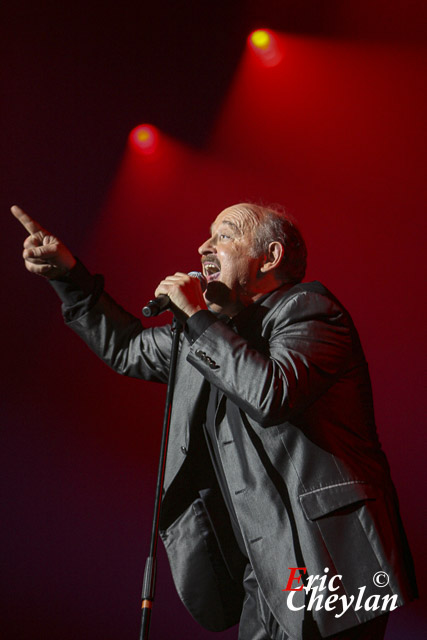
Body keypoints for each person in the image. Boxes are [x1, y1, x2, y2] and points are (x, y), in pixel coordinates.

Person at [12, 203, 417, 640]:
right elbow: (128, 348)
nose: (204, 246)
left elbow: (271, 392)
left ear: (270, 257)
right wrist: (68, 276)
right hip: (263, 573)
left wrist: (198, 317)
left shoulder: (309, 310)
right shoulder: (208, 333)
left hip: (329, 559)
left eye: (224, 236)